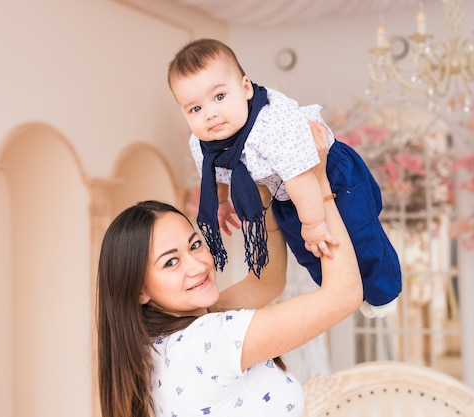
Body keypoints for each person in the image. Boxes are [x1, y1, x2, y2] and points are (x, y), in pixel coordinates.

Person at [96, 122, 363, 417]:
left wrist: (260, 185)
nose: (198, 265)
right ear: (140, 291)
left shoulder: (158, 346)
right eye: (171, 262)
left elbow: (266, 284)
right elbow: (344, 295)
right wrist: (317, 181)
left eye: (195, 245)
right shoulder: (208, 341)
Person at [167, 38, 401, 317]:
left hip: (326, 172)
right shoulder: (201, 143)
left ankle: (384, 291)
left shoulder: (271, 125)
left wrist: (313, 224)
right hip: (284, 192)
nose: (210, 114)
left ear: (244, 89)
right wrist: (223, 202)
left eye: (219, 97)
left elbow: (302, 178)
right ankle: (355, 293)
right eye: (195, 108)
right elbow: (215, 174)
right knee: (309, 251)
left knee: (359, 234)